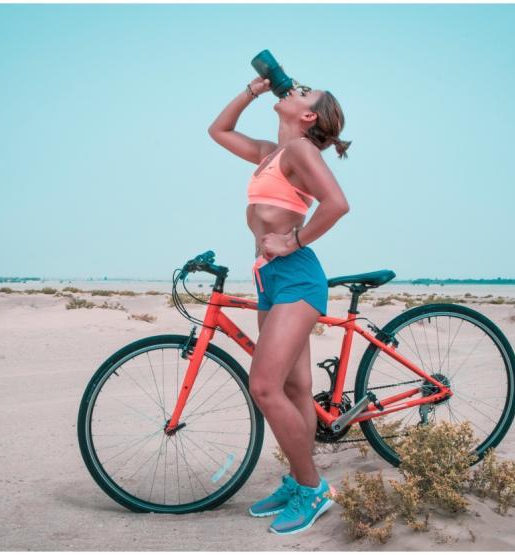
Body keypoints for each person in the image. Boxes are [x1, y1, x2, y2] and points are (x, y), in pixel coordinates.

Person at [207, 74, 351, 535]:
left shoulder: (302, 151)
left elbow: (337, 204)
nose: (295, 90)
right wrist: (252, 91)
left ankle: (313, 489)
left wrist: (294, 240)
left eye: (304, 93)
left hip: (295, 279)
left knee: (265, 387)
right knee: (294, 391)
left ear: (308, 116)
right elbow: (220, 131)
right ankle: (296, 481)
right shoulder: (274, 153)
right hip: (269, 280)